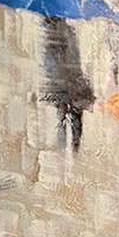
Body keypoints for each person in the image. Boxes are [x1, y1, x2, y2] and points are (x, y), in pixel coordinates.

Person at [39, 13, 94, 151]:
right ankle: (74, 144)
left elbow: (49, 64)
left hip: (61, 81)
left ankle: (65, 144)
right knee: (74, 114)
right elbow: (75, 57)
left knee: (63, 114)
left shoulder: (49, 35)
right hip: (71, 80)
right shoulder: (68, 31)